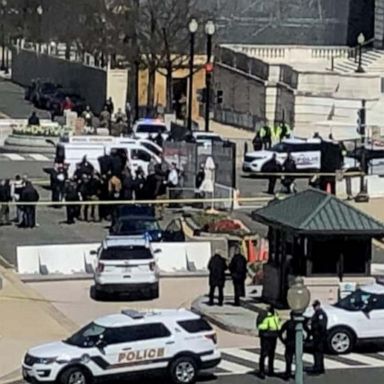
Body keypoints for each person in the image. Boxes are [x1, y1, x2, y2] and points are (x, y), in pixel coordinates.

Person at [257, 305, 281, 379]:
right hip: (266, 336)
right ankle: (262, 371)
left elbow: (278, 322)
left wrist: (277, 329)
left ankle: (271, 370)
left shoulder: (276, 314)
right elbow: (259, 325)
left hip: (273, 336)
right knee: (264, 354)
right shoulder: (264, 315)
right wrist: (267, 327)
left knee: (272, 354)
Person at [307, 300, 328, 375]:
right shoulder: (316, 313)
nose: (314, 308)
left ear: (318, 305)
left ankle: (318, 368)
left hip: (319, 337)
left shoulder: (320, 314)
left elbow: (322, 326)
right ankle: (317, 366)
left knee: (318, 353)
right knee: (316, 353)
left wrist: (316, 330)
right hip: (316, 336)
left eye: (315, 306)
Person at [279, 311, 296, 380]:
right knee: (297, 359)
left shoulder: (288, 323)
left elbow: (280, 332)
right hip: (296, 344)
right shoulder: (298, 323)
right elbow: (307, 331)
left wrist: (283, 341)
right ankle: (295, 373)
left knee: (288, 358)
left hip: (289, 343)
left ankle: (288, 373)